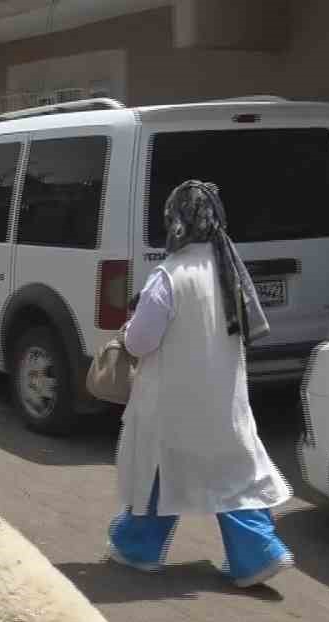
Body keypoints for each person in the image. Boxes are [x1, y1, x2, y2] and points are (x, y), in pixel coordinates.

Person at [108, 180, 293, 588]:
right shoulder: (228, 271)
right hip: (224, 399)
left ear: (174, 221)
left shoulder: (169, 276)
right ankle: (258, 554)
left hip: (174, 403)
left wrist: (124, 334)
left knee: (162, 473)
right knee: (233, 473)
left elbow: (141, 341)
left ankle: (138, 547)